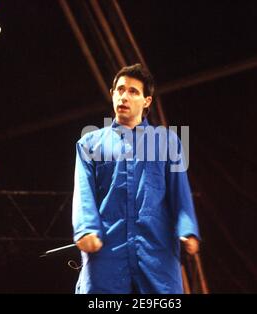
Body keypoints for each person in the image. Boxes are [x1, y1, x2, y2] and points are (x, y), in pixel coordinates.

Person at [72, 63, 200, 294]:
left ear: (147, 101)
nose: (124, 96)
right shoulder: (89, 144)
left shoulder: (167, 143)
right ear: (112, 95)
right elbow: (83, 193)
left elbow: (179, 192)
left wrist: (188, 229)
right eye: (120, 90)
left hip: (156, 248)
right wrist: (86, 229)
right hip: (107, 249)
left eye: (133, 91)